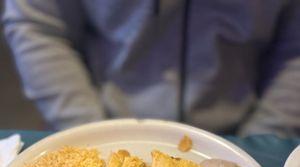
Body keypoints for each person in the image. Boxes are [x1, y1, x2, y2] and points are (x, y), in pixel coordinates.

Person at [2, 0, 300, 137]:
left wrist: (265, 138)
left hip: (241, 129)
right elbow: (37, 25)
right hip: (101, 120)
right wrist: (86, 131)